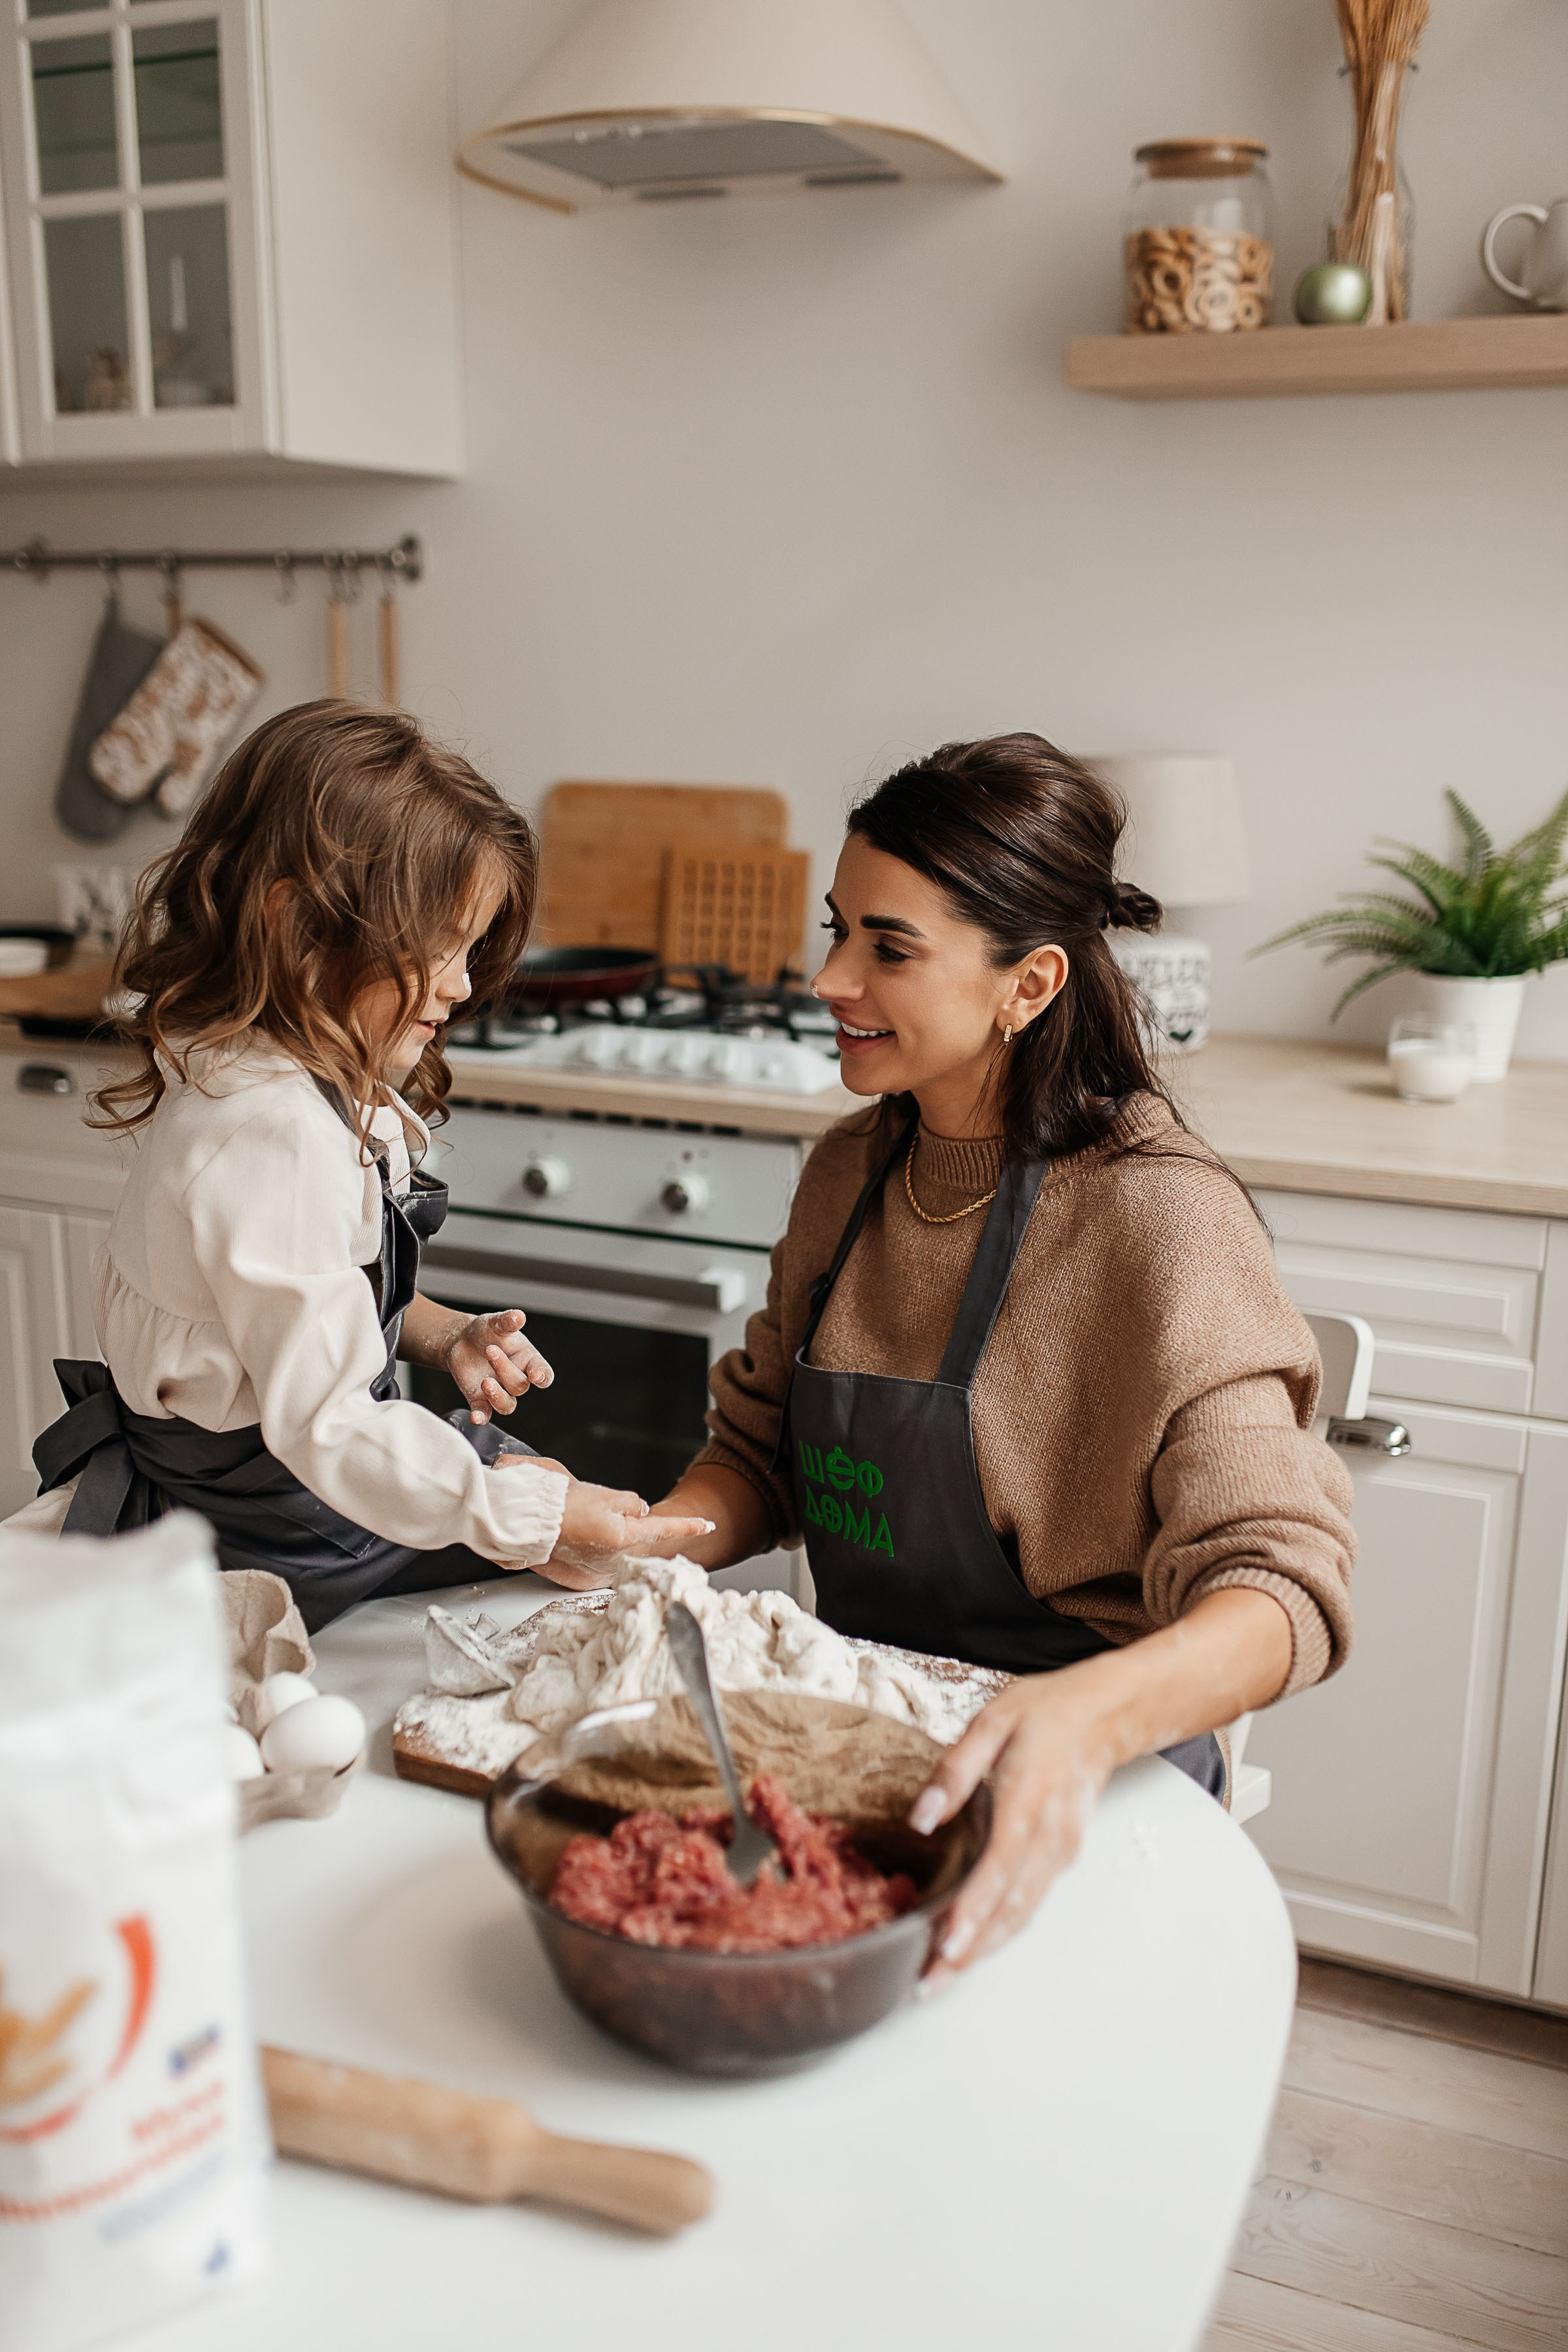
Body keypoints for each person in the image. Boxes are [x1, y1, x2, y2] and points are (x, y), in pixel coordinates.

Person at [653, 733, 1355, 1982]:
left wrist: (1082, 1721)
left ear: (1027, 986)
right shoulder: (846, 1176)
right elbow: (757, 1454)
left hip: (1105, 1763)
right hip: (866, 1733)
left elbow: (1281, 1589)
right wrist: (645, 1544)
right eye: (837, 930)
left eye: (887, 947)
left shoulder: (1159, 1217)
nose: (826, 978)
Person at [16, 702, 711, 1627]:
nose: (463, 986)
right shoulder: (272, 1135)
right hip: (278, 1529)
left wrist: (440, 1334)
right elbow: (330, 1427)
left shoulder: (287, 1077)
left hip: (289, 1489)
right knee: (563, 1527)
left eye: (473, 950)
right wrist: (541, 1518)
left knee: (541, 1501)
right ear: (298, 923)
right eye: (442, 947)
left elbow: (295, 1304)